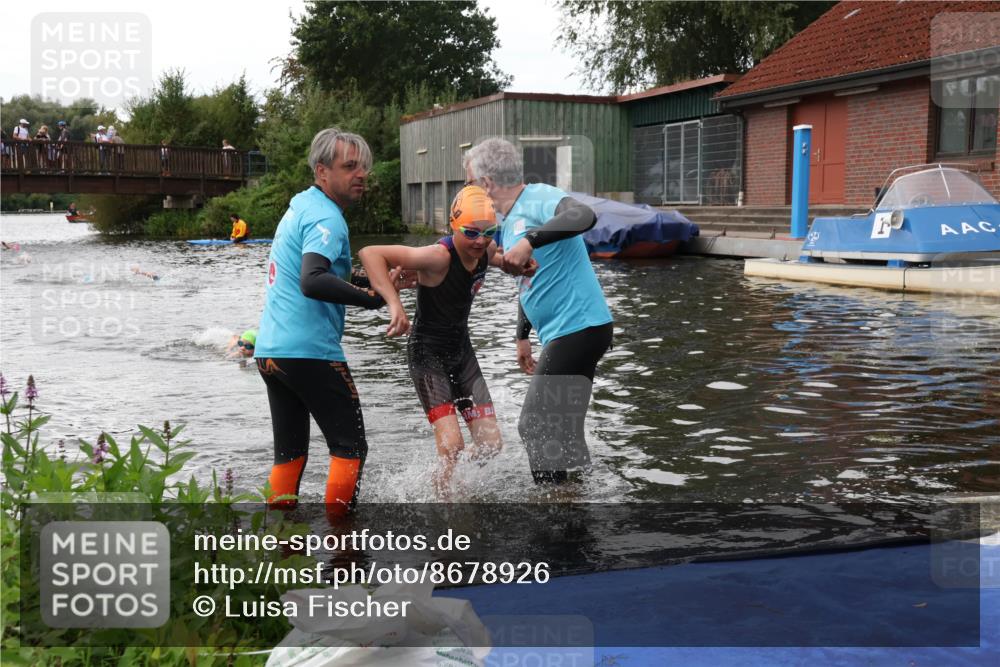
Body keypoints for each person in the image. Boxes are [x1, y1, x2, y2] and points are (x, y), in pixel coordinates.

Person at [254, 127, 405, 517]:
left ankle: (281, 538)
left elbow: (324, 272)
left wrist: (374, 283)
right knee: (350, 449)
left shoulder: (303, 206)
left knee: (290, 454)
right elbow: (313, 280)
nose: (361, 174)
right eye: (350, 166)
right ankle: (343, 542)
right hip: (310, 353)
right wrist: (373, 300)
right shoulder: (327, 217)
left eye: (364, 167)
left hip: (271, 352)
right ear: (322, 171)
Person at [463, 137, 612, 484]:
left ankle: (553, 507)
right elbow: (530, 280)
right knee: (564, 432)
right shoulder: (508, 219)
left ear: (487, 183)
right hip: (572, 331)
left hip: (579, 328)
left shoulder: (539, 197)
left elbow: (584, 215)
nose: (469, 192)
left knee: (535, 425)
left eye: (470, 184)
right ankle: (577, 501)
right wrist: (522, 335)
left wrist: (530, 239)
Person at [359, 185, 518, 495]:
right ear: (452, 226)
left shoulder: (485, 251)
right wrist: (394, 304)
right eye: (470, 233)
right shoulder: (437, 257)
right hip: (427, 355)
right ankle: (442, 504)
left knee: (491, 445)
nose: (480, 241)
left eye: (489, 232)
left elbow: (495, 257)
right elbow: (370, 253)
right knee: (452, 446)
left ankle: (457, 486)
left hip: (462, 354)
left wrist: (514, 264)